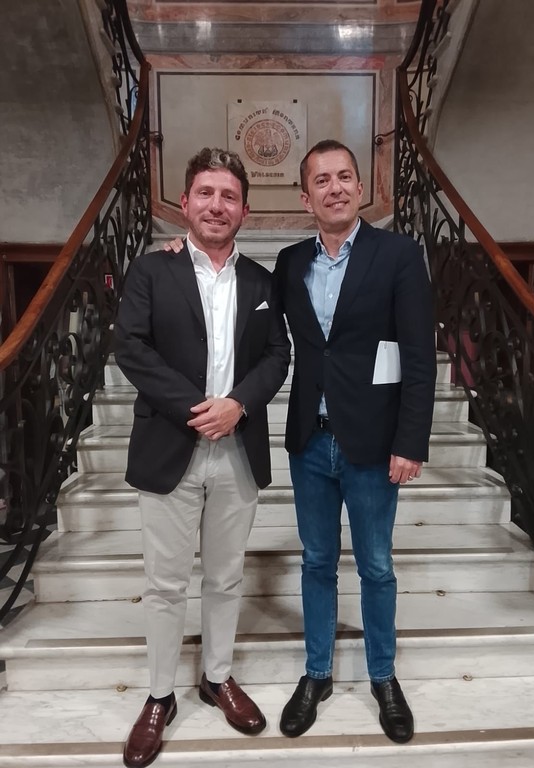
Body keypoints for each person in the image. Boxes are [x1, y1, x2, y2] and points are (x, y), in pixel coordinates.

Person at [115, 147, 290, 768]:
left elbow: (277, 356)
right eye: (206, 193)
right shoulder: (151, 270)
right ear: (185, 202)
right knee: (165, 583)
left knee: (225, 576)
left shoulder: (262, 281)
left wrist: (238, 404)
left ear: (245, 210)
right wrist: (199, 408)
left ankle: (217, 678)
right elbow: (131, 348)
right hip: (172, 442)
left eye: (229, 196)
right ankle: (160, 695)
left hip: (237, 449)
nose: (217, 205)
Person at [273, 140, 436, 742]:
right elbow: (247, 300)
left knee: (376, 566)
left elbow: (418, 356)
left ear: (361, 188)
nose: (335, 187)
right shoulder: (290, 261)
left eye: (344, 177)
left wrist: (410, 441)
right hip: (310, 443)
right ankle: (317, 673)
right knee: (316, 562)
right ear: (305, 197)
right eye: (322, 180)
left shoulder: (398, 255)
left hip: (373, 442)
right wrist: (183, 251)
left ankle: (382, 676)